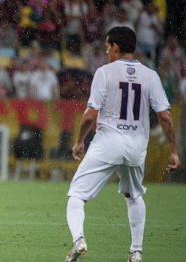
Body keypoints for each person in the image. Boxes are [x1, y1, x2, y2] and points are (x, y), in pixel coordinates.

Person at [64, 26, 180, 262]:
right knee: (134, 195)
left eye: (108, 46)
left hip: (108, 142)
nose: (106, 51)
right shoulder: (150, 75)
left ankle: (78, 240)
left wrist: (79, 141)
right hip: (137, 147)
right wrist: (174, 152)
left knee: (77, 194)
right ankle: (136, 252)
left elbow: (89, 116)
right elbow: (165, 116)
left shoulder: (104, 72)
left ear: (116, 47)